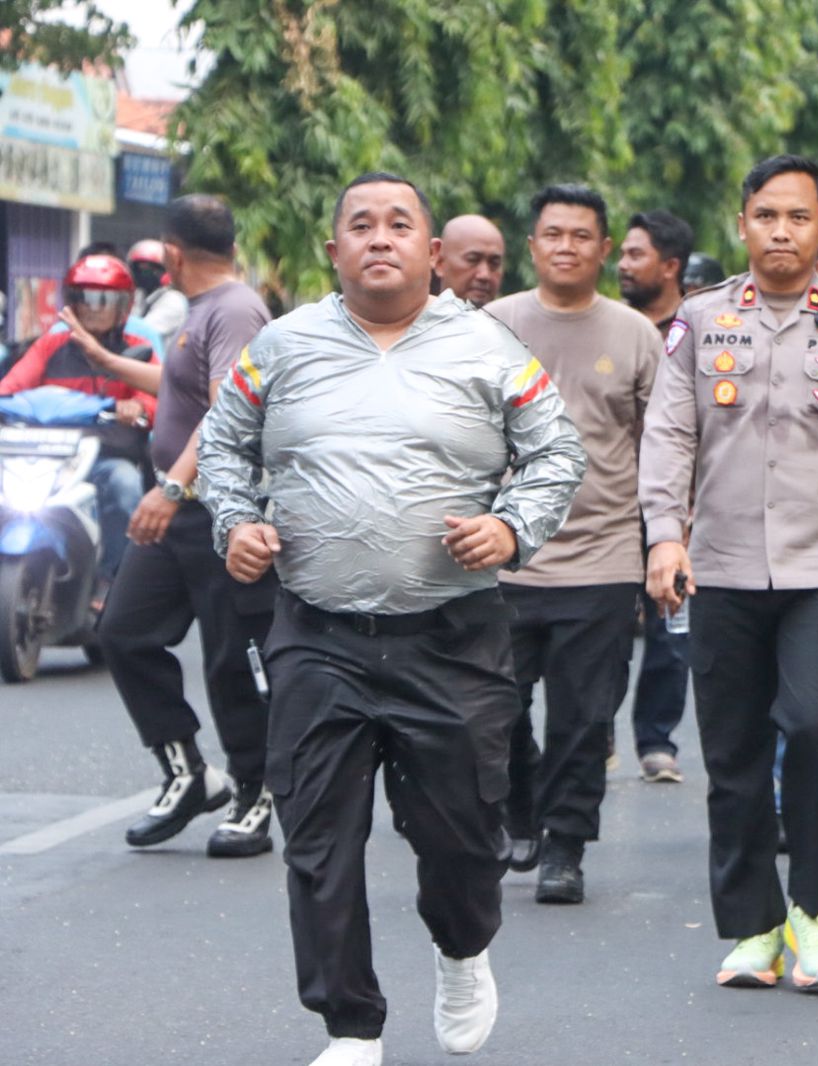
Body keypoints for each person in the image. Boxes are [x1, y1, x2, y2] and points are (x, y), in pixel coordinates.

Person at [198, 171, 586, 1066]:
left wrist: (511, 525)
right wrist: (236, 522)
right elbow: (223, 445)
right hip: (316, 632)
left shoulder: (489, 348)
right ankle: (350, 1025)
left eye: (399, 225)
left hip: (450, 637)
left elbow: (556, 450)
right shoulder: (282, 347)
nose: (379, 238)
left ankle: (462, 947)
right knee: (319, 837)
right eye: (359, 226)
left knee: (460, 840)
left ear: (433, 253)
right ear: (332, 251)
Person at [639, 154, 818, 990]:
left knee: (813, 728)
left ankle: (815, 913)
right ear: (743, 224)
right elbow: (669, 436)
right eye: (766, 215)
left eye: (797, 217)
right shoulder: (698, 322)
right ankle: (756, 930)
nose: (781, 231)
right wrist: (666, 536)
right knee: (731, 756)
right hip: (722, 569)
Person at [485, 184, 661, 899]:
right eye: (552, 233)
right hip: (500, 557)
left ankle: (565, 846)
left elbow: (664, 449)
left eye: (580, 235)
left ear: (604, 249)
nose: (565, 246)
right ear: (533, 247)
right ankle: (520, 804)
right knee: (490, 707)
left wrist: (665, 548)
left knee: (584, 720)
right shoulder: (491, 325)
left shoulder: (635, 335)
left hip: (603, 559)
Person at [95, 196, 277, 859]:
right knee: (122, 632)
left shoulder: (232, 309)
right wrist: (109, 362)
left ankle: (256, 796)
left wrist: (173, 485)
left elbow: (231, 404)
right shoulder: (202, 313)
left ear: (171, 252)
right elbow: (183, 390)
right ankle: (188, 773)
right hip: (177, 514)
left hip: (219, 512)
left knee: (232, 662)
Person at [0, 254, 158, 589]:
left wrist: (136, 407)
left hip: (104, 456)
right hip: (48, 455)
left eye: (104, 299)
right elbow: (11, 385)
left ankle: (112, 580)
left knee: (124, 484)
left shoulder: (139, 349)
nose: (92, 308)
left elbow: (155, 398)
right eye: (83, 297)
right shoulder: (51, 344)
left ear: (124, 306)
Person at [616, 208, 696, 783]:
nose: (622, 264)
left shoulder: (696, 330)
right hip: (612, 505)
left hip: (679, 505)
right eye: (621, 253)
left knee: (672, 625)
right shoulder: (609, 327)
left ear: (670, 266)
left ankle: (656, 740)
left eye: (635, 254)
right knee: (606, 625)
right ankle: (594, 732)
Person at [128, 239, 189, 355]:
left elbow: (140, 332)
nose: (143, 274)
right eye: (139, 268)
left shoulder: (173, 301)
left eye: (150, 269)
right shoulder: (141, 296)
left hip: (163, 368)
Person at [434, 214, 505, 307]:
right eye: (473, 260)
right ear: (440, 262)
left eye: (494, 263)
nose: (484, 275)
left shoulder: (512, 319)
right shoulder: (413, 319)